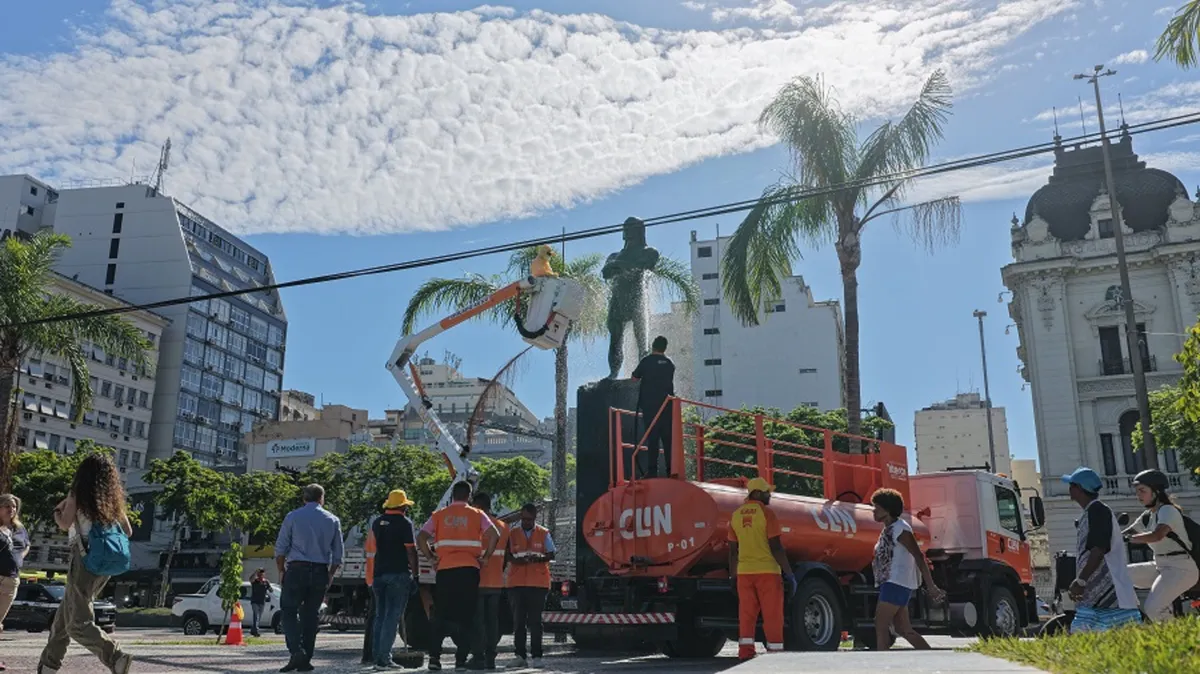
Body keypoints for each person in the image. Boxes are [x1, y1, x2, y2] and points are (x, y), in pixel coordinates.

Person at [37, 454, 133, 674]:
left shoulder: (78, 493)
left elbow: (64, 523)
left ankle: (115, 656)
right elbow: (128, 531)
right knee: (64, 617)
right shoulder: (111, 498)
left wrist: (56, 512)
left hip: (84, 559)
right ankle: (49, 666)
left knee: (77, 623)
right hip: (105, 564)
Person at [417, 482, 500, 672]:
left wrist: (431, 557)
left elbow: (421, 537)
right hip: (469, 571)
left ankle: (435, 659)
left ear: (452, 495)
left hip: (445, 571)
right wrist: (485, 557)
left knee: (441, 614)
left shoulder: (439, 515)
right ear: (469, 496)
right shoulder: (477, 514)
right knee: (467, 615)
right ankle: (460, 660)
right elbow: (494, 535)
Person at [275, 484, 344, 673]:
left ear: (304, 498)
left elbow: (280, 549)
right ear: (321, 498)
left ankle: (296, 651)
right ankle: (305, 658)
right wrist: (330, 574)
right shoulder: (333, 519)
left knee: (288, 610)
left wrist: (281, 571)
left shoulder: (293, 517)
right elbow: (338, 554)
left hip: (296, 570)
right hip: (320, 570)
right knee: (310, 615)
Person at [1062, 467, 1141, 632]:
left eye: (1071, 485)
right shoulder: (1091, 512)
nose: (1069, 489)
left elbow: (1098, 550)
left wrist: (1081, 580)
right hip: (1096, 593)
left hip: (1109, 591)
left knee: (1095, 635)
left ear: (1078, 488)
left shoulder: (1097, 511)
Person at [726, 477, 794, 660]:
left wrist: (733, 576)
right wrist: (789, 572)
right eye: (766, 492)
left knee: (746, 614)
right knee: (772, 614)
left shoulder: (736, 515)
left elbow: (733, 551)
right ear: (756, 493)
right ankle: (775, 652)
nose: (769, 495)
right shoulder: (767, 514)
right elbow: (776, 547)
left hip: (744, 573)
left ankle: (745, 652)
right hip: (768, 572)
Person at [869, 488, 944, 651]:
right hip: (892, 582)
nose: (873, 510)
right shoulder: (888, 529)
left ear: (887, 510)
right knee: (903, 629)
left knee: (880, 624)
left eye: (877, 507)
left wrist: (931, 586)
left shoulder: (901, 529)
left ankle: (882, 665)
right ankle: (932, 657)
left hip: (896, 582)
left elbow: (919, 557)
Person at [1123, 469, 1199, 622]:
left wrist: (1129, 539)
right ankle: (1128, 618)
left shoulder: (1168, 510)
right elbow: (1127, 532)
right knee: (1119, 574)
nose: (1138, 496)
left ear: (1156, 492)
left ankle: (1180, 639)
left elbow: (1157, 535)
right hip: (1160, 565)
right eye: (1137, 492)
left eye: (1142, 491)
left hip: (1181, 568)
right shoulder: (1148, 516)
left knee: (1153, 608)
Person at [368, 489, 419, 670]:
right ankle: (384, 660)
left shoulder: (377, 522)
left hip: (379, 574)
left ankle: (377, 657)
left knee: (380, 616)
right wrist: (416, 574)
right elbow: (411, 551)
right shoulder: (404, 523)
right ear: (404, 506)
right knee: (392, 616)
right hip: (398, 574)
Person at [506, 503, 554, 667]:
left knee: (535, 622)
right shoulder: (512, 533)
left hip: (538, 583)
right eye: (523, 519)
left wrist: (538, 559)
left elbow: (551, 552)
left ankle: (537, 656)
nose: (526, 522)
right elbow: (507, 555)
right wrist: (516, 560)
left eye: (529, 519)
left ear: (534, 518)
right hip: (517, 583)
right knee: (518, 621)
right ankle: (520, 656)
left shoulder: (543, 533)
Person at [470, 491, 509, 670]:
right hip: (496, 582)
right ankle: (490, 658)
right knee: (492, 621)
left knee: (478, 621)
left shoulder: (476, 525)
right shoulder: (503, 526)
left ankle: (478, 658)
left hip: (478, 582)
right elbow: (506, 556)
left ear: (479, 506)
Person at [631, 335, 676, 478]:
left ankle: (652, 472)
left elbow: (634, 378)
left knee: (653, 439)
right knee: (668, 440)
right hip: (667, 406)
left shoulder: (646, 361)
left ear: (653, 346)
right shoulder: (670, 363)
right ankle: (671, 471)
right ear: (665, 348)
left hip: (650, 406)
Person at [1, 494, 30, 673]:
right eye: (6, 506)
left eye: (13, 506)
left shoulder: (20, 528)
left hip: (11, 580)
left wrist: (19, 557)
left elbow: (27, 544)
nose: (10, 509)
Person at [248, 568, 271, 638]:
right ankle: (256, 632)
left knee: (259, 617)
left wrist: (267, 593)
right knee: (256, 616)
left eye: (262, 573)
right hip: (254, 601)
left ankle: (253, 630)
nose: (261, 574)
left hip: (262, 602)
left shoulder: (266, 582)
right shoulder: (255, 581)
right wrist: (255, 572)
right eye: (259, 573)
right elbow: (250, 579)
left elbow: (271, 590)